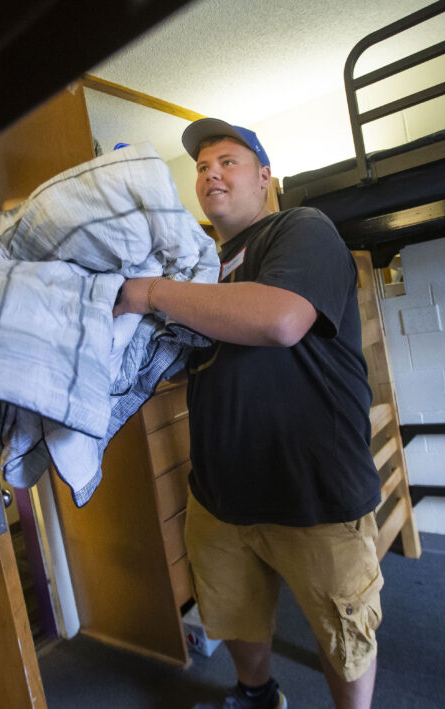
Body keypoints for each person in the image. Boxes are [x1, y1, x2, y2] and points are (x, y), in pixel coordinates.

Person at [113, 118, 383, 709]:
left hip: (315, 490)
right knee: (233, 613)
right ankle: (258, 695)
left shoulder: (299, 229)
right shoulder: (201, 269)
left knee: (342, 632)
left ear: (266, 178)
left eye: (228, 161)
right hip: (219, 492)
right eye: (202, 167)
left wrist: (151, 292)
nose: (210, 172)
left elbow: (281, 320)